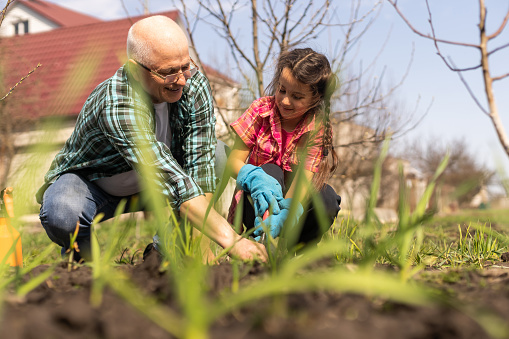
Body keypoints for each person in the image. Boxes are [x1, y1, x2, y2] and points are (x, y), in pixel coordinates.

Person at [36, 15, 267, 263]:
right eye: (168, 72)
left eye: (185, 66)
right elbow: (172, 180)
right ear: (136, 71)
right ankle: (85, 263)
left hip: (156, 187)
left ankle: (166, 248)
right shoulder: (117, 101)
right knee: (62, 212)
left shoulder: (193, 83)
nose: (181, 79)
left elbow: (200, 167)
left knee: (218, 154)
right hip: (97, 186)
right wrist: (233, 242)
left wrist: (202, 246)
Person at [225, 48, 341, 245]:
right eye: (282, 90)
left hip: (292, 207)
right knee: (270, 171)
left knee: (327, 198)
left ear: (316, 99)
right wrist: (255, 178)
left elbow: (303, 183)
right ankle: (259, 241)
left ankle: (298, 250)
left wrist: (287, 211)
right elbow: (233, 161)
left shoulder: (317, 129)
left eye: (297, 96)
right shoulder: (261, 111)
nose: (285, 100)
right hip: (254, 201)